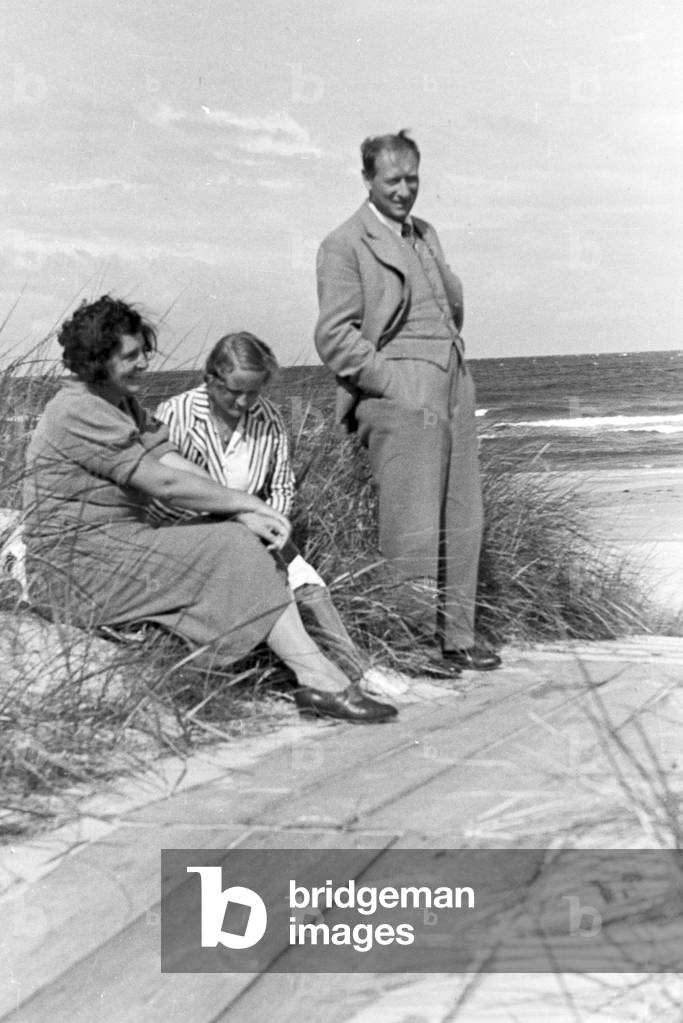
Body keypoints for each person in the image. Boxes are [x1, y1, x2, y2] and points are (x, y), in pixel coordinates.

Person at [21, 295, 397, 724]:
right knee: (231, 546)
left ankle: (316, 674)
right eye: (131, 355)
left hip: (115, 546)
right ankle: (317, 677)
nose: (144, 361)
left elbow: (170, 460)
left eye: (144, 349)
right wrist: (246, 503)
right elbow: (161, 482)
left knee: (240, 537)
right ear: (97, 360)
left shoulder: (118, 402)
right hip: (75, 567)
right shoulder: (77, 408)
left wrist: (240, 511)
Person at [314, 130, 500, 672]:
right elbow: (333, 337)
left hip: (453, 381)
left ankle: (456, 637)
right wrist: (396, 384)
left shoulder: (426, 233)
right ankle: (412, 644)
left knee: (464, 516)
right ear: (367, 179)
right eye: (392, 180)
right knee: (413, 523)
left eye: (412, 178)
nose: (404, 190)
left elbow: (446, 306)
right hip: (399, 392)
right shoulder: (345, 243)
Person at [153, 331, 367, 684]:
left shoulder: (267, 418)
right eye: (234, 391)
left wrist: (272, 523)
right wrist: (233, 523)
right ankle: (307, 673)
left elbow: (282, 485)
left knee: (307, 584)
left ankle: (356, 670)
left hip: (257, 528)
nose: (243, 402)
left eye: (253, 392)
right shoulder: (176, 413)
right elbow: (163, 489)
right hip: (191, 530)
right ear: (210, 379)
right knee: (266, 579)